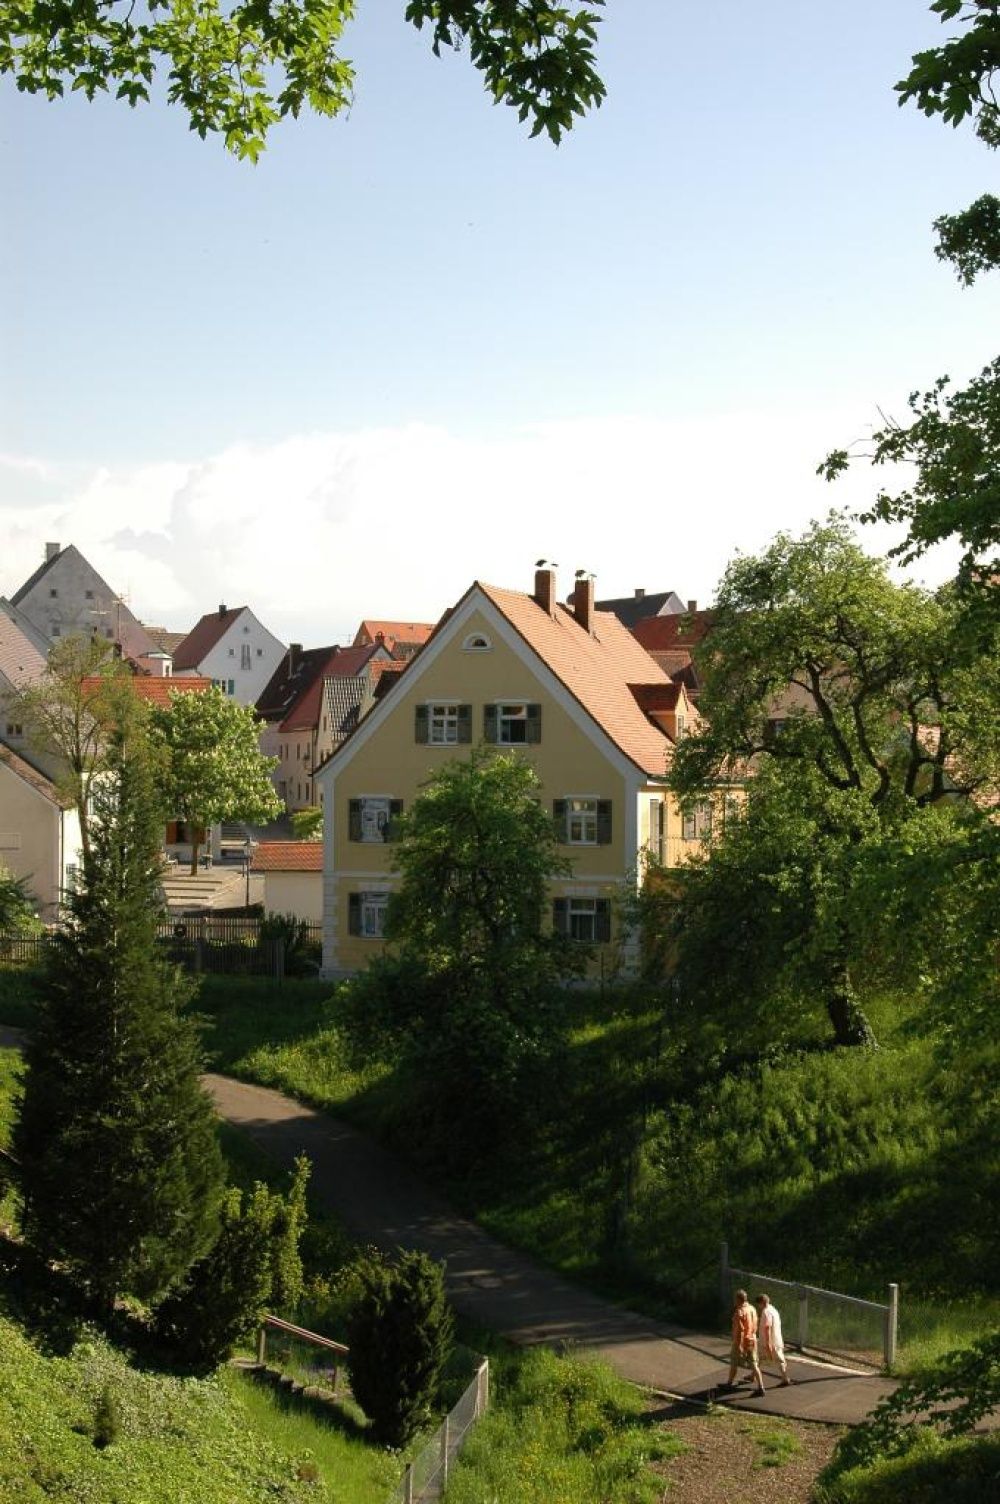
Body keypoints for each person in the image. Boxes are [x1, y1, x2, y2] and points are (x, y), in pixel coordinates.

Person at [725, 1288, 765, 1396]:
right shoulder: (752, 1308)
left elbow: (740, 1330)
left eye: (735, 1299)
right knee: (754, 1364)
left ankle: (729, 1384)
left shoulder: (739, 1312)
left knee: (734, 1362)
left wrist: (739, 1345)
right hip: (752, 1340)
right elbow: (756, 1323)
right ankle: (761, 1387)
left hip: (741, 1341)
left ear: (738, 1299)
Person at [756, 1292, 791, 1386]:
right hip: (776, 1339)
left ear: (761, 1303)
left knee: (778, 1360)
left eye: (759, 1304)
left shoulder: (766, 1312)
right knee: (760, 1358)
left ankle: (785, 1378)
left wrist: (768, 1343)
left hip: (770, 1342)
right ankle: (753, 1375)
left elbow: (767, 1327)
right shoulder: (773, 1309)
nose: (758, 1307)